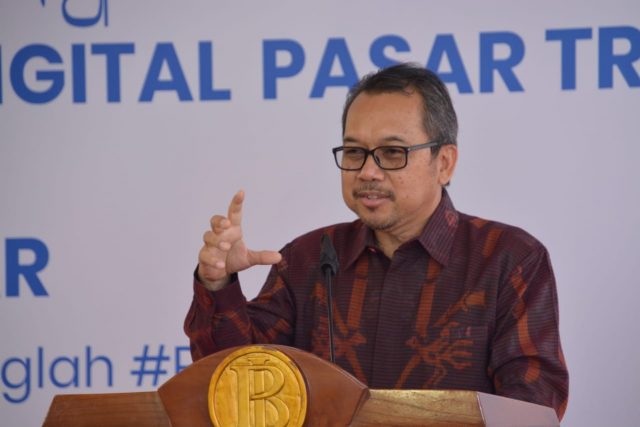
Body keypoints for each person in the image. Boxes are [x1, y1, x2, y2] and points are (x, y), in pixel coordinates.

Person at [184, 63, 569, 418]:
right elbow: (238, 388)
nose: (368, 171)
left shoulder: (508, 259)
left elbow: (530, 407)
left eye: (391, 152)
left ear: (444, 162)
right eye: (355, 152)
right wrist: (218, 285)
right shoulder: (307, 259)